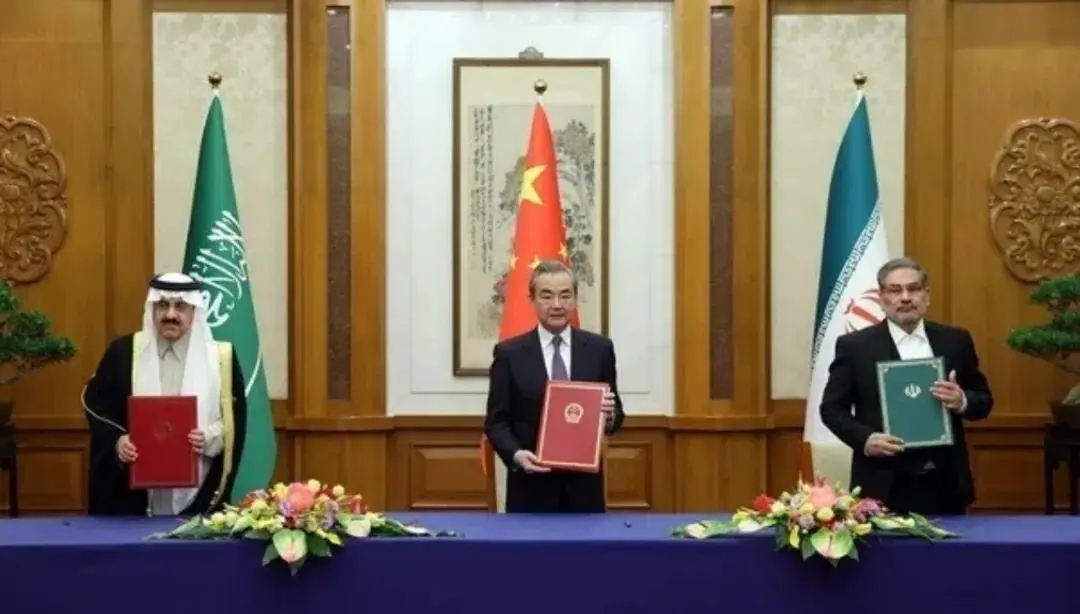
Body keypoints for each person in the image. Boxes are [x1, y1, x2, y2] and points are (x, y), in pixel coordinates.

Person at [819, 257, 993, 515]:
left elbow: (984, 400)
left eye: (913, 289)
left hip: (945, 484)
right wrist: (866, 439)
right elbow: (831, 409)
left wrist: (962, 401)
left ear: (926, 295)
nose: (905, 297)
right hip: (883, 485)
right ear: (881, 298)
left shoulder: (955, 341)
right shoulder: (855, 347)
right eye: (895, 290)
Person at [81, 273, 248, 516]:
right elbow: (96, 405)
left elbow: (235, 421)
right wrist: (117, 441)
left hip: (199, 491)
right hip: (132, 497)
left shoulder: (221, 359)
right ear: (151, 308)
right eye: (162, 305)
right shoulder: (124, 352)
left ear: (195, 311)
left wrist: (210, 437)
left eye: (180, 306)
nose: (170, 315)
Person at [484, 260, 625, 513]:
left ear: (575, 299)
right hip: (530, 489)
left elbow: (616, 415)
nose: (557, 304)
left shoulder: (600, 350)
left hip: (584, 491)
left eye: (565, 295)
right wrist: (516, 455)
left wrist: (609, 415)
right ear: (532, 299)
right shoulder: (509, 354)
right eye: (547, 296)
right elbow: (497, 422)